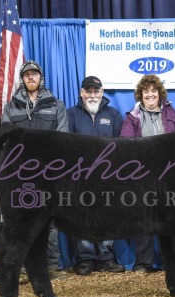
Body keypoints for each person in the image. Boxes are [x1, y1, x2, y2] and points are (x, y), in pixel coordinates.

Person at [2, 60, 69, 280]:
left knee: (49, 220)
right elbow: (7, 139)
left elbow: (63, 139)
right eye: (27, 75)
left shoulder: (56, 105)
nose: (31, 77)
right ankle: (21, 267)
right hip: (21, 174)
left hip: (50, 173)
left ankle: (50, 266)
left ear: (41, 77)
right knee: (22, 220)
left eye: (35, 74)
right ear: (22, 79)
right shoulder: (11, 107)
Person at [121, 74, 175, 273]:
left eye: (153, 91)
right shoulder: (132, 118)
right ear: (140, 95)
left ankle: (172, 262)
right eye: (146, 91)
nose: (150, 95)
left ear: (160, 94)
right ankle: (143, 263)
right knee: (144, 219)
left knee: (171, 219)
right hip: (143, 175)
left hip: (169, 176)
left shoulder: (173, 115)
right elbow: (125, 146)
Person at [66, 75, 126, 275]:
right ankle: (85, 259)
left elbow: (121, 147)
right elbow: (66, 146)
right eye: (88, 91)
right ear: (82, 93)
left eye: (96, 91)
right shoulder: (71, 115)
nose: (92, 95)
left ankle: (106, 257)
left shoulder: (114, 115)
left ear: (102, 93)